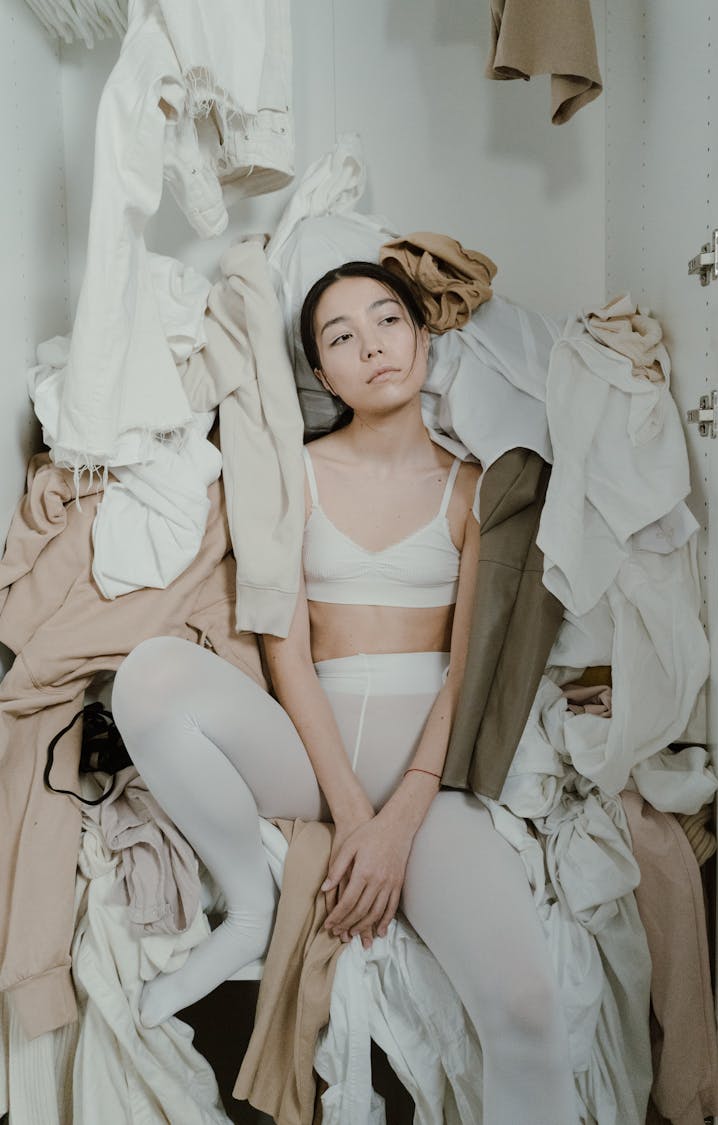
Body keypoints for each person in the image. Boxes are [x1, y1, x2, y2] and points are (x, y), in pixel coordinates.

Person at [112, 260, 576, 1122]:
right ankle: (249, 906)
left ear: (422, 339)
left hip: (425, 780)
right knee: (146, 675)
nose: (372, 347)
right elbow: (286, 655)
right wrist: (351, 818)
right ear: (323, 375)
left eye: (387, 321)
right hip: (309, 747)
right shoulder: (295, 473)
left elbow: (471, 671)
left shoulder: (476, 490)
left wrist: (398, 821)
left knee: (526, 1008)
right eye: (341, 336)